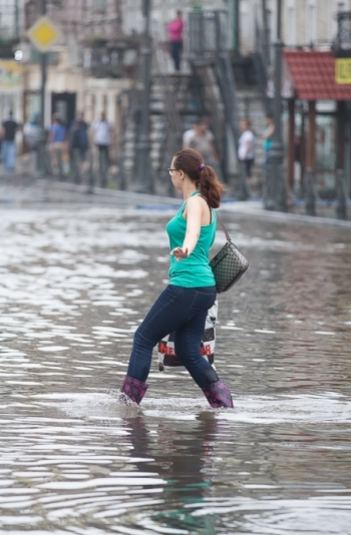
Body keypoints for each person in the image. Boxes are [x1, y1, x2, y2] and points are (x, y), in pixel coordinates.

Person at [119, 147, 234, 409]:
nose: (171, 175)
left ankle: (126, 405)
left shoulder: (195, 202)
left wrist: (186, 248)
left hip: (188, 286)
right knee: (188, 351)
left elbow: (192, 231)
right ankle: (223, 406)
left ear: (181, 174)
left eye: (172, 170)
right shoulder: (202, 202)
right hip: (203, 288)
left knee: (143, 338)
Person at [91, 112, 112, 187]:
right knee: (100, 156)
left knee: (106, 156)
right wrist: (93, 140)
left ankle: (105, 169)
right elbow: (93, 131)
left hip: (106, 142)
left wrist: (111, 140)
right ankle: (100, 169)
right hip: (99, 141)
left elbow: (111, 131)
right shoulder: (97, 123)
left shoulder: (108, 123)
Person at [68, 112, 89, 183]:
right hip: (75, 145)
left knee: (83, 159)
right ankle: (77, 174)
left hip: (83, 144)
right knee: (76, 160)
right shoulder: (74, 124)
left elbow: (87, 134)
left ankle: (82, 173)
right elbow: (71, 135)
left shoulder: (85, 125)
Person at [47, 114, 67, 179]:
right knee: (62, 158)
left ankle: (56, 170)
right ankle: (63, 170)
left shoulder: (53, 127)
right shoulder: (62, 127)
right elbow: (64, 136)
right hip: (61, 144)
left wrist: (49, 143)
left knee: (54, 158)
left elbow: (51, 135)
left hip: (55, 144)